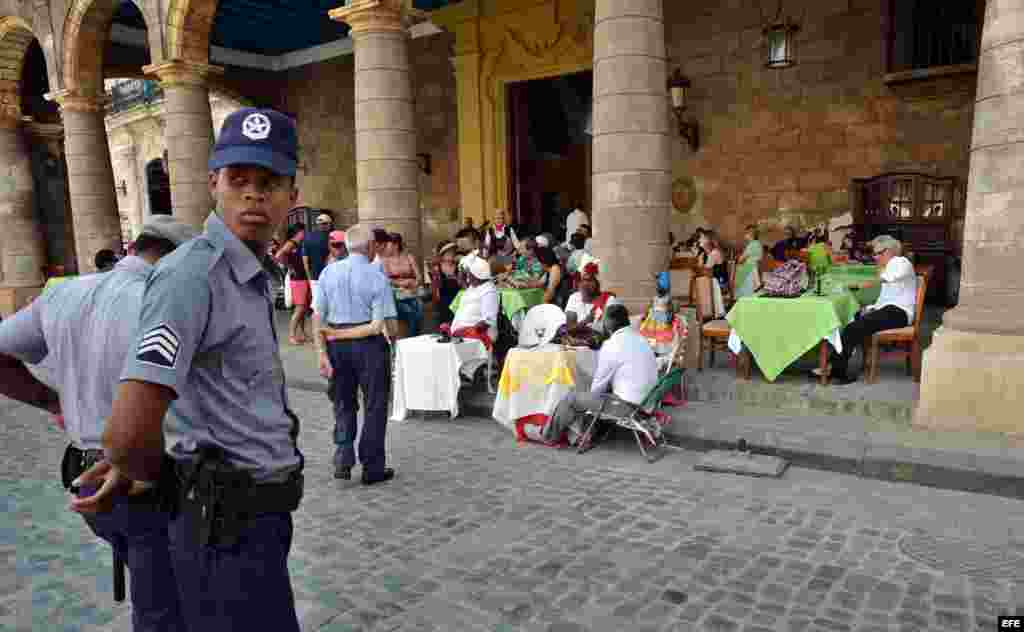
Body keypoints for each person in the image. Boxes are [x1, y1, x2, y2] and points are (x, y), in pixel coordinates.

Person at [74, 108, 307, 632]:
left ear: (292, 195)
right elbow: (128, 431)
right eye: (238, 180)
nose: (253, 195)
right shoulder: (192, 275)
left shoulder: (245, 274)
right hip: (224, 530)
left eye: (269, 182)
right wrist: (145, 470)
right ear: (213, 185)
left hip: (256, 522)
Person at [0, 216, 197, 632]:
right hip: (146, 476)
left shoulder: (64, 294)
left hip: (85, 471)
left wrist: (53, 400)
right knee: (165, 605)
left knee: (154, 586)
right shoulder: (164, 301)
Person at [313, 224, 398, 484]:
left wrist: (321, 353)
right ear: (371, 247)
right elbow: (389, 325)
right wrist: (393, 340)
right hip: (370, 346)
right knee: (374, 405)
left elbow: (318, 317)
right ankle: (372, 467)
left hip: (336, 345)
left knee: (342, 401)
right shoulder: (376, 276)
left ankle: (343, 457)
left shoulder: (328, 273)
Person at [543, 304, 658, 445]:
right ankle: (585, 433)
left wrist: (585, 394)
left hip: (629, 407)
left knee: (572, 398)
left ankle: (548, 436)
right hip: (648, 404)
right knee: (590, 391)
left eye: (604, 320)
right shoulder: (641, 339)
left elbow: (597, 389)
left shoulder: (612, 344)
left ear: (609, 323)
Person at [817, 235, 917, 385]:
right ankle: (832, 365)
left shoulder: (901, 262)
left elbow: (886, 280)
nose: (875, 257)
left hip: (900, 312)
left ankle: (836, 369)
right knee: (851, 321)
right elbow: (886, 297)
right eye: (874, 254)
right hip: (890, 309)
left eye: (878, 253)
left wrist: (856, 285)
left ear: (889, 251)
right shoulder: (889, 266)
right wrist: (870, 308)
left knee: (853, 327)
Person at [446, 256, 499, 349]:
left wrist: (467, 332)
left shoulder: (488, 290)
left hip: (475, 335)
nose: (467, 276)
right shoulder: (472, 287)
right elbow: (461, 280)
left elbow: (488, 321)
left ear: (476, 275)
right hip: (460, 335)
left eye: (469, 273)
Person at [380, 231, 423, 338]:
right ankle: (413, 338)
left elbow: (419, 276)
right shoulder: (385, 260)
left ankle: (415, 337)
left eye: (388, 244)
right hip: (396, 294)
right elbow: (385, 280)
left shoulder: (408, 257)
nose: (386, 247)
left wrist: (415, 283)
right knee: (410, 312)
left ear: (395, 245)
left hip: (411, 292)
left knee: (419, 307)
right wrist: (403, 283)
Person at [276, 223, 311, 345]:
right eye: (303, 231)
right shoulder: (292, 243)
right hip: (297, 279)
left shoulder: (299, 244)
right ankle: (292, 335)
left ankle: (302, 333)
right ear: (299, 232)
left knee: (303, 307)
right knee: (300, 307)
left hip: (302, 277)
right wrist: (289, 267)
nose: (305, 234)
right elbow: (279, 255)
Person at [564, 261, 620, 336]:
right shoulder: (574, 298)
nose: (585, 284)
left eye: (589, 280)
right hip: (577, 343)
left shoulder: (608, 300)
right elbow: (570, 329)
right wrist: (587, 320)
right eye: (582, 280)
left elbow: (610, 332)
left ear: (597, 283)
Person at [430, 241, 461, 326]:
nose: (452, 254)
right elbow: (435, 289)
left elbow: (462, 284)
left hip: (458, 299)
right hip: (444, 301)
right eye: (449, 252)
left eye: (453, 251)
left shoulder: (459, 265)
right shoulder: (437, 268)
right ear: (442, 254)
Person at [303, 212, 333, 296]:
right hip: (330, 276)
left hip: (314, 276)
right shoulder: (332, 237)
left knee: (317, 304)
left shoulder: (308, 238)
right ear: (329, 224)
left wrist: (309, 278)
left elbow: (305, 261)